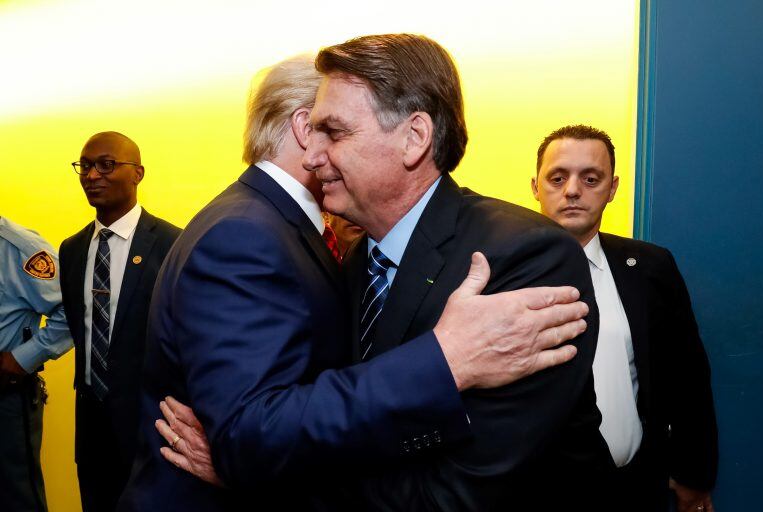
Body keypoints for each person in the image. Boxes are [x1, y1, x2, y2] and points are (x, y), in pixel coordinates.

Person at [117, 54, 590, 511]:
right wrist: (252, 458)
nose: (313, 154)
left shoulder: (524, 255)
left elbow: (455, 495)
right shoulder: (355, 259)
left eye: (333, 132)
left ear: (414, 138)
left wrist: (251, 472)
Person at [531, 124, 718, 512]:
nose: (572, 191)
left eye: (591, 178)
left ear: (613, 188)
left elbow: (688, 379)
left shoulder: (651, 267)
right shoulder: (494, 272)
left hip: (632, 490)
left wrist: (693, 476)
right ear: (536, 186)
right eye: (558, 177)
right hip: (530, 493)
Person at [58, 132, 181, 512]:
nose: (92, 175)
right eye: (85, 166)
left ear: (138, 173)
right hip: (91, 429)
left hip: (150, 428)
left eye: (107, 165)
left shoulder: (172, 243)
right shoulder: (72, 249)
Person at [0, 217, 73, 512]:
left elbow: (73, 309)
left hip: (4, 399)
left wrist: (21, 359)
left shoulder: (20, 248)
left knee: (15, 499)